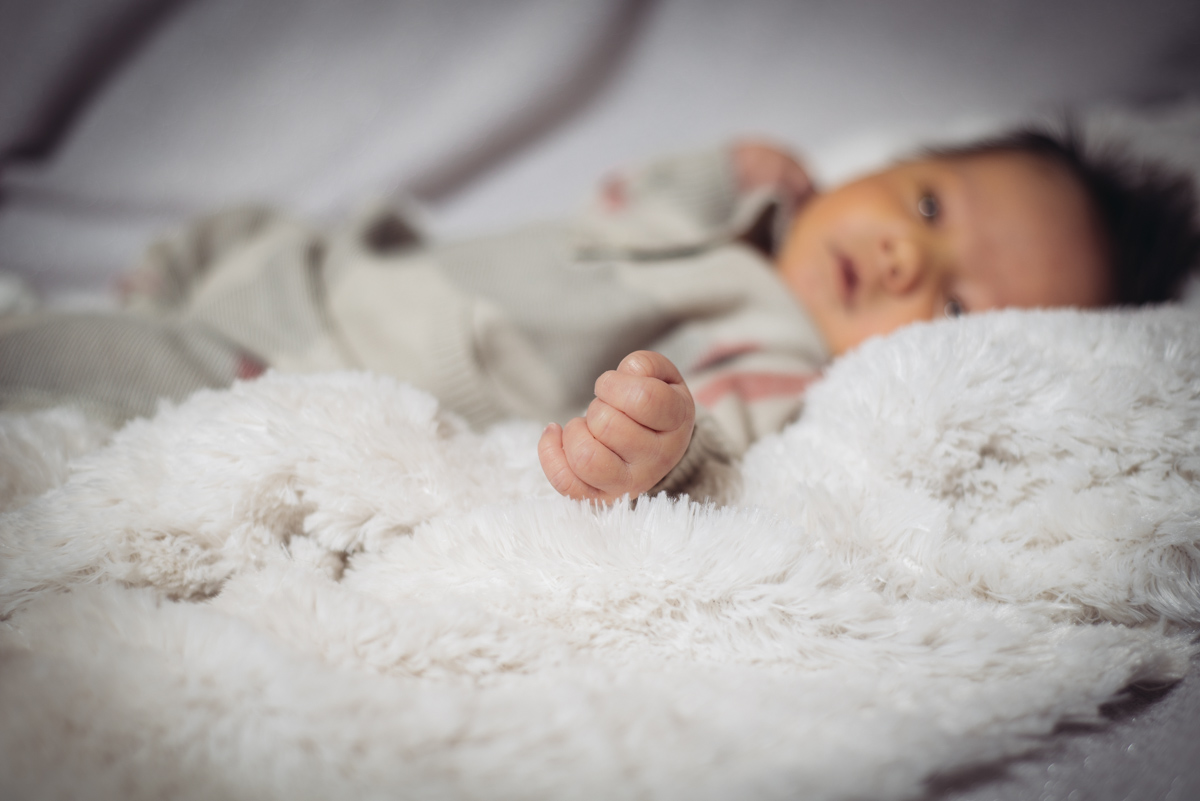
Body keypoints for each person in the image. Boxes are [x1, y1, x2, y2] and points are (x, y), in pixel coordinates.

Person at [1, 126, 1197, 504]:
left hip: (299, 356)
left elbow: (726, 443)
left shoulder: (776, 347)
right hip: (329, 264)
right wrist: (723, 172)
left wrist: (659, 441)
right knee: (221, 242)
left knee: (82, 378)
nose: (901, 254)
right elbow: (611, 207)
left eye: (955, 298)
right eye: (927, 204)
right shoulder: (745, 215)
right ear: (888, 162)